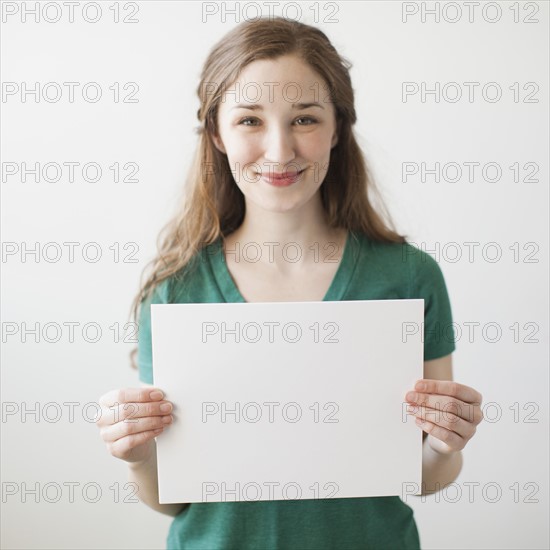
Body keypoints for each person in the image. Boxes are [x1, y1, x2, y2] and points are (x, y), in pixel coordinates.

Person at [96, 16, 484, 549]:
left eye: (304, 119)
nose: (279, 152)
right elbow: (173, 497)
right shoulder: (174, 291)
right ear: (217, 132)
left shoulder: (409, 277)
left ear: (337, 127)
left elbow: (423, 476)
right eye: (250, 120)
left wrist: (444, 446)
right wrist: (138, 456)